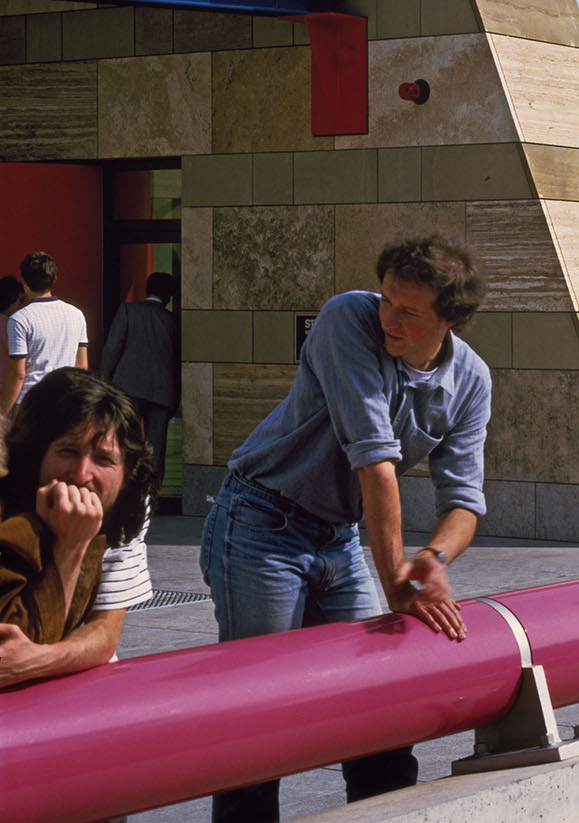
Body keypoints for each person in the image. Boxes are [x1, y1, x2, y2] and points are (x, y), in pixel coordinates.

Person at [201, 237, 490, 821]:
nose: (389, 319)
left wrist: (434, 558)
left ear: (450, 319)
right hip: (261, 523)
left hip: (340, 538)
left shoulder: (471, 380)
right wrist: (398, 585)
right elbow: (374, 463)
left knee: (379, 709)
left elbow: (464, 502)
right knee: (258, 710)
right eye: (387, 300)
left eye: (409, 312)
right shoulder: (346, 319)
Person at [0, 370, 154, 676]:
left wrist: (35, 662)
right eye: (68, 451)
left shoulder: (127, 505)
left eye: (103, 459)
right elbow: (15, 637)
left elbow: (104, 631)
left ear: (126, 473)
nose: (82, 475)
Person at [99, 272, 180, 493]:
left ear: (147, 289)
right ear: (168, 296)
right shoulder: (173, 321)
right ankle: (150, 495)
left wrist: (105, 383)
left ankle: (125, 490)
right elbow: (177, 362)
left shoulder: (128, 311)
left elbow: (112, 348)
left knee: (126, 441)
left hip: (129, 388)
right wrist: (176, 398)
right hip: (162, 392)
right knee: (156, 448)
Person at [4, 252, 89, 412]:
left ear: (24, 282)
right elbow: (82, 366)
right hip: (65, 400)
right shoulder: (76, 314)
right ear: (54, 279)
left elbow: (18, 374)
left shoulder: (19, 319)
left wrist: (2, 412)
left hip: (30, 402)